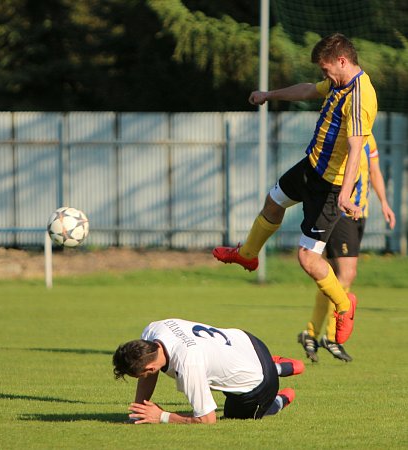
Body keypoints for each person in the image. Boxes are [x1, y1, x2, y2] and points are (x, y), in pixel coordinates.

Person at [213, 33, 378, 345]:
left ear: (342, 61)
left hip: (330, 187)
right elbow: (308, 90)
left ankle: (344, 305)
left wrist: (345, 192)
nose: (324, 75)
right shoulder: (340, 82)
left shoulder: (360, 96)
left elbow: (357, 148)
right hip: (311, 167)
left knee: (307, 259)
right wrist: (268, 94)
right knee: (273, 201)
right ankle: (248, 254)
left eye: (326, 69)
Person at [298, 134, 396, 362]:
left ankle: (311, 333)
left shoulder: (370, 138)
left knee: (338, 277)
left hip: (360, 212)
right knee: (346, 274)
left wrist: (384, 203)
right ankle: (331, 336)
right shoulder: (344, 135)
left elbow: (375, 171)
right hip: (341, 212)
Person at [113, 318, 305, 424]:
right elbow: (150, 371)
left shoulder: (188, 364)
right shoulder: (153, 330)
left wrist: (161, 416)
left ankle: (278, 399)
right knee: (227, 366)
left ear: (150, 368)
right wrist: (139, 410)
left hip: (260, 383)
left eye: (139, 375)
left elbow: (206, 419)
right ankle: (278, 366)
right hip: (246, 341)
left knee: (235, 418)